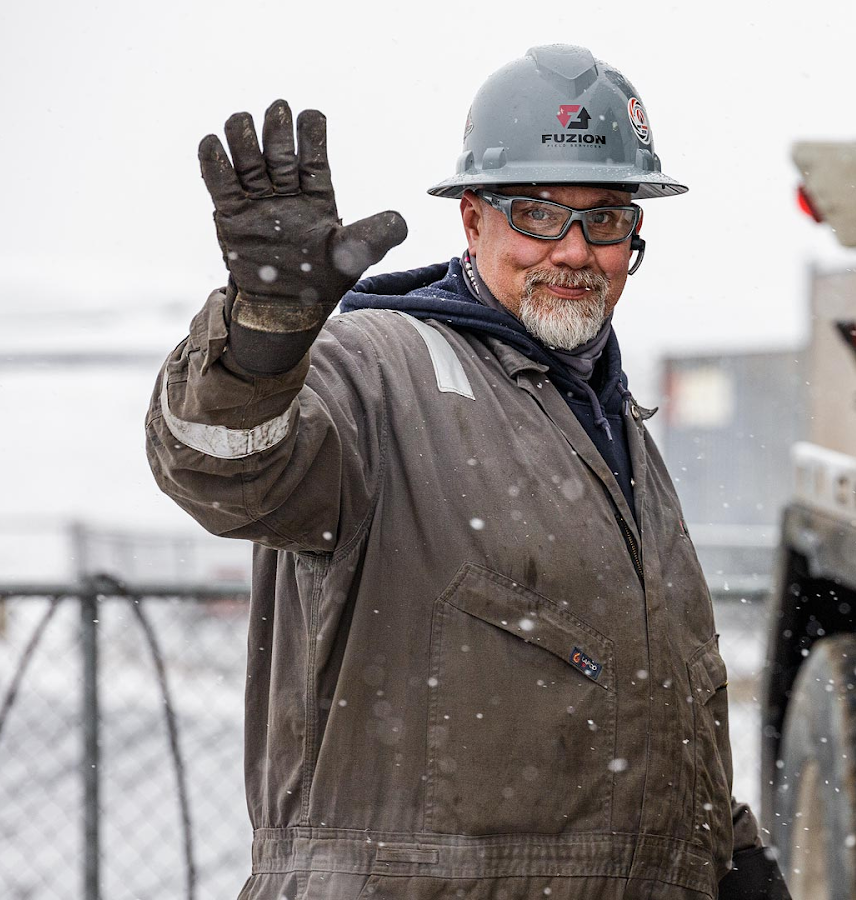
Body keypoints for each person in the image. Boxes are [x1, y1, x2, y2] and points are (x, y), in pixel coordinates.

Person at [146, 44, 789, 900]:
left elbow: (660, 697)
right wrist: (263, 338)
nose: (573, 249)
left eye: (604, 219)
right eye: (536, 214)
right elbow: (221, 467)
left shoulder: (609, 425)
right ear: (472, 220)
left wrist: (729, 856)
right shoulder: (376, 371)